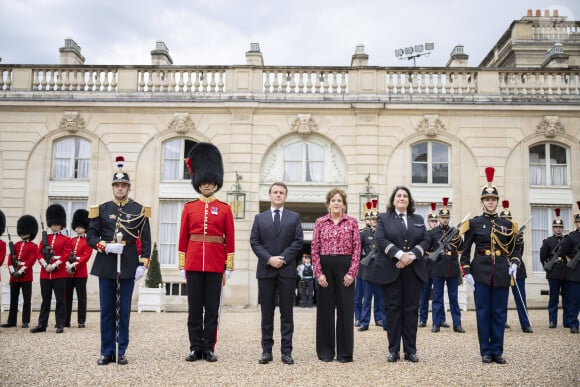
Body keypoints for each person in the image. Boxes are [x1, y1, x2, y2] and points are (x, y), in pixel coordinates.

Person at [87, 156, 151, 365]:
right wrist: (105, 246)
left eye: (124, 186)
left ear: (129, 189)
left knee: (123, 310)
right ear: (112, 187)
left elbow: (146, 240)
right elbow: (91, 237)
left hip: (128, 263)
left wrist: (143, 264)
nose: (120, 189)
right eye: (117, 185)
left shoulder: (139, 210)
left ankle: (121, 349)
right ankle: (106, 351)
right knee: (106, 310)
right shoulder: (101, 209)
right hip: (106, 263)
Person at [179, 143, 235, 363]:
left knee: (212, 310)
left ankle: (208, 347)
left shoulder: (225, 209)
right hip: (193, 263)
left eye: (210, 181)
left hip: (214, 265)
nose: (206, 185)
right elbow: (183, 237)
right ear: (198, 183)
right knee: (194, 310)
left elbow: (229, 238)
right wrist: (183, 263)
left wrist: (228, 266)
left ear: (216, 183)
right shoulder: (189, 207)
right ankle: (195, 347)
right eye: (203, 181)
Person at [460, 167, 520, 364]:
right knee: (483, 313)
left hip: (502, 272)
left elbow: (515, 248)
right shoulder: (474, 223)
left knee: (500, 314)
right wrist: (466, 271)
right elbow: (465, 250)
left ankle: (498, 351)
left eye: (493, 199)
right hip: (481, 273)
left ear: (497, 201)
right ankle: (485, 351)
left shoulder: (508, 225)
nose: (491, 202)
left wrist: (514, 262)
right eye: (487, 199)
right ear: (482, 202)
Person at [371, 186, 429, 363]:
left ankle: (410, 350)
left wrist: (411, 256)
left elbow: (426, 240)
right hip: (391, 271)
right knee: (393, 310)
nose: (402, 198)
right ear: (393, 199)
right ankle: (393, 350)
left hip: (413, 271)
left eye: (405, 196)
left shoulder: (418, 218)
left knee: (411, 311)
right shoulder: (384, 218)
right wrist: (400, 255)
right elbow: (380, 240)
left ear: (409, 200)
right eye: (399, 196)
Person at [250, 182, 304, 365]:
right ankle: (266, 350)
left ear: (286, 196)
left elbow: (298, 241)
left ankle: (286, 351)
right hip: (266, 271)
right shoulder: (259, 218)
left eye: (282, 192)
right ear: (269, 195)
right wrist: (269, 259)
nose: (278, 195)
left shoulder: (294, 217)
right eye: (275, 192)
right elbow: (254, 242)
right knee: (267, 313)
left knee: (287, 313)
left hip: (287, 271)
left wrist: (282, 258)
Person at [311, 188, 360, 363]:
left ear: (344, 204)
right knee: (325, 310)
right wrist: (318, 273)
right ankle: (325, 352)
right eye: (333, 200)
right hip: (325, 268)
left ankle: (345, 353)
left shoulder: (352, 222)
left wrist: (352, 272)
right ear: (328, 203)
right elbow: (314, 249)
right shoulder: (320, 222)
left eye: (339, 200)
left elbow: (357, 249)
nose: (336, 203)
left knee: (346, 311)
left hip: (345, 267)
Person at [30, 204, 72, 334]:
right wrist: (44, 264)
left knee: (60, 300)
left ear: (61, 224)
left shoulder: (66, 239)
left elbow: (65, 255)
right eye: (53, 224)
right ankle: (42, 324)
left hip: (59, 273)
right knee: (45, 300)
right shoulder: (45, 239)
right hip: (45, 273)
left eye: (57, 224)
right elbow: (39, 253)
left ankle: (60, 324)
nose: (54, 226)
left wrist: (54, 265)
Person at [430, 198, 464, 333]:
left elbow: (461, 248)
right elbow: (428, 251)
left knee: (453, 298)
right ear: (439, 218)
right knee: (437, 297)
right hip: (438, 267)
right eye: (442, 217)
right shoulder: (433, 233)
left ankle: (457, 324)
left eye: (447, 217)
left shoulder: (455, 232)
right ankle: (436, 323)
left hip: (452, 267)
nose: (445, 220)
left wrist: (458, 238)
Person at [500, 200, 532, 333]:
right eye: (504, 219)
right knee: (501, 298)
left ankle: (525, 324)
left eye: (509, 219)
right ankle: (501, 322)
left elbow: (519, 253)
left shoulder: (517, 235)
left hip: (517, 268)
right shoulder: (497, 235)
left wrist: (518, 240)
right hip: (502, 268)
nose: (507, 221)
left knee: (520, 298)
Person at [1, 215, 38, 329]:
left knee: (26, 300)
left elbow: (31, 260)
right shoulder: (16, 245)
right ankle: (11, 320)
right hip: (14, 276)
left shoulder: (33, 246)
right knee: (13, 299)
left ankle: (25, 321)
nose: (23, 233)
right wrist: (12, 271)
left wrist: (21, 271)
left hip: (26, 276)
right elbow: (10, 260)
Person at [357, 200, 385, 331]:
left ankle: (380, 319)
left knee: (380, 299)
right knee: (366, 299)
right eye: (372, 219)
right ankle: (364, 322)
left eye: (376, 219)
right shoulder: (364, 233)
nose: (374, 221)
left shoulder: (383, 234)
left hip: (379, 270)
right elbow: (358, 251)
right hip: (367, 270)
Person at [539, 208, 569, 328]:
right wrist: (548, 268)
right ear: (553, 228)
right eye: (556, 227)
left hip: (567, 272)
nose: (558, 229)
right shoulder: (548, 241)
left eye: (560, 227)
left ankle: (567, 321)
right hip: (554, 273)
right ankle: (552, 321)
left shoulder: (568, 240)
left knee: (567, 298)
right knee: (553, 298)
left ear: (562, 228)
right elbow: (542, 257)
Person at [419, 203, 447, 328]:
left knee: (438, 294)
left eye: (436, 221)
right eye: (432, 221)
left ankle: (441, 319)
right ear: (428, 222)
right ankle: (423, 319)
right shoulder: (424, 234)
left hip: (438, 267)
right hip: (426, 267)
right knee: (424, 294)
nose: (434, 223)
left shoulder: (441, 233)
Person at [64, 209, 92, 328]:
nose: (78, 229)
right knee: (67, 297)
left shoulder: (88, 241)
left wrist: (74, 264)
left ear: (85, 228)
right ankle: (66, 320)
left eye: (80, 227)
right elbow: (66, 253)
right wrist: (67, 264)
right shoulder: (71, 240)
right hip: (69, 273)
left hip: (80, 273)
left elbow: (86, 256)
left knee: (81, 298)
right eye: (77, 227)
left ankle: (81, 321)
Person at [559, 201, 580, 334]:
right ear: (575, 223)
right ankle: (573, 323)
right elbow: (562, 253)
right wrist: (571, 261)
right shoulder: (571, 237)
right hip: (575, 272)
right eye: (578, 222)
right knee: (574, 300)